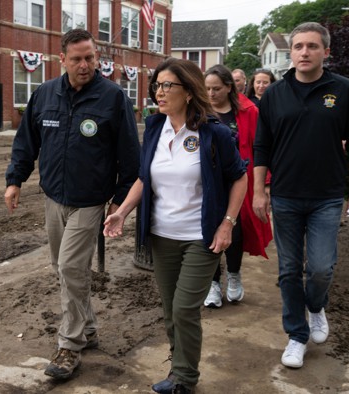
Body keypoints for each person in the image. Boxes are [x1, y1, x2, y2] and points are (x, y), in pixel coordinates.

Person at [103, 58, 248, 394]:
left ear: (188, 91)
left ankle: (185, 378)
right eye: (157, 85)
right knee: (171, 310)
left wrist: (227, 224)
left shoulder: (214, 133)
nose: (159, 91)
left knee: (185, 308)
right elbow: (144, 177)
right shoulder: (155, 127)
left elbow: (238, 178)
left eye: (168, 85)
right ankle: (178, 366)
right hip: (161, 236)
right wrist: (123, 211)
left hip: (201, 236)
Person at [4, 28, 140, 381]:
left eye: (90, 58)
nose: (85, 65)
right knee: (62, 268)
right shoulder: (45, 94)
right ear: (61, 59)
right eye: (77, 58)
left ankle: (69, 345)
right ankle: (89, 328)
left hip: (91, 202)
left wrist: (120, 204)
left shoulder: (112, 98)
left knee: (69, 268)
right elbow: (26, 142)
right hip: (53, 197)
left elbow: (129, 155)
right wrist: (14, 180)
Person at [252, 22, 349, 370]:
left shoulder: (344, 90)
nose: (305, 52)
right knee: (289, 270)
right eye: (299, 46)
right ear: (291, 52)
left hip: (327, 196)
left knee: (319, 269)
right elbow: (262, 146)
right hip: (285, 195)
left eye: (312, 46)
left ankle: (316, 306)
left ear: (325, 52)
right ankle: (297, 335)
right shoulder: (274, 94)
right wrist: (259, 191)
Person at [202, 64, 273, 308]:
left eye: (216, 89)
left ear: (229, 87)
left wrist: (264, 185)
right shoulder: (198, 110)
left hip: (240, 180)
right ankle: (212, 282)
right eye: (207, 89)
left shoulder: (248, 110)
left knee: (235, 229)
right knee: (208, 228)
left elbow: (261, 148)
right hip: (207, 182)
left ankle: (233, 274)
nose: (211, 94)